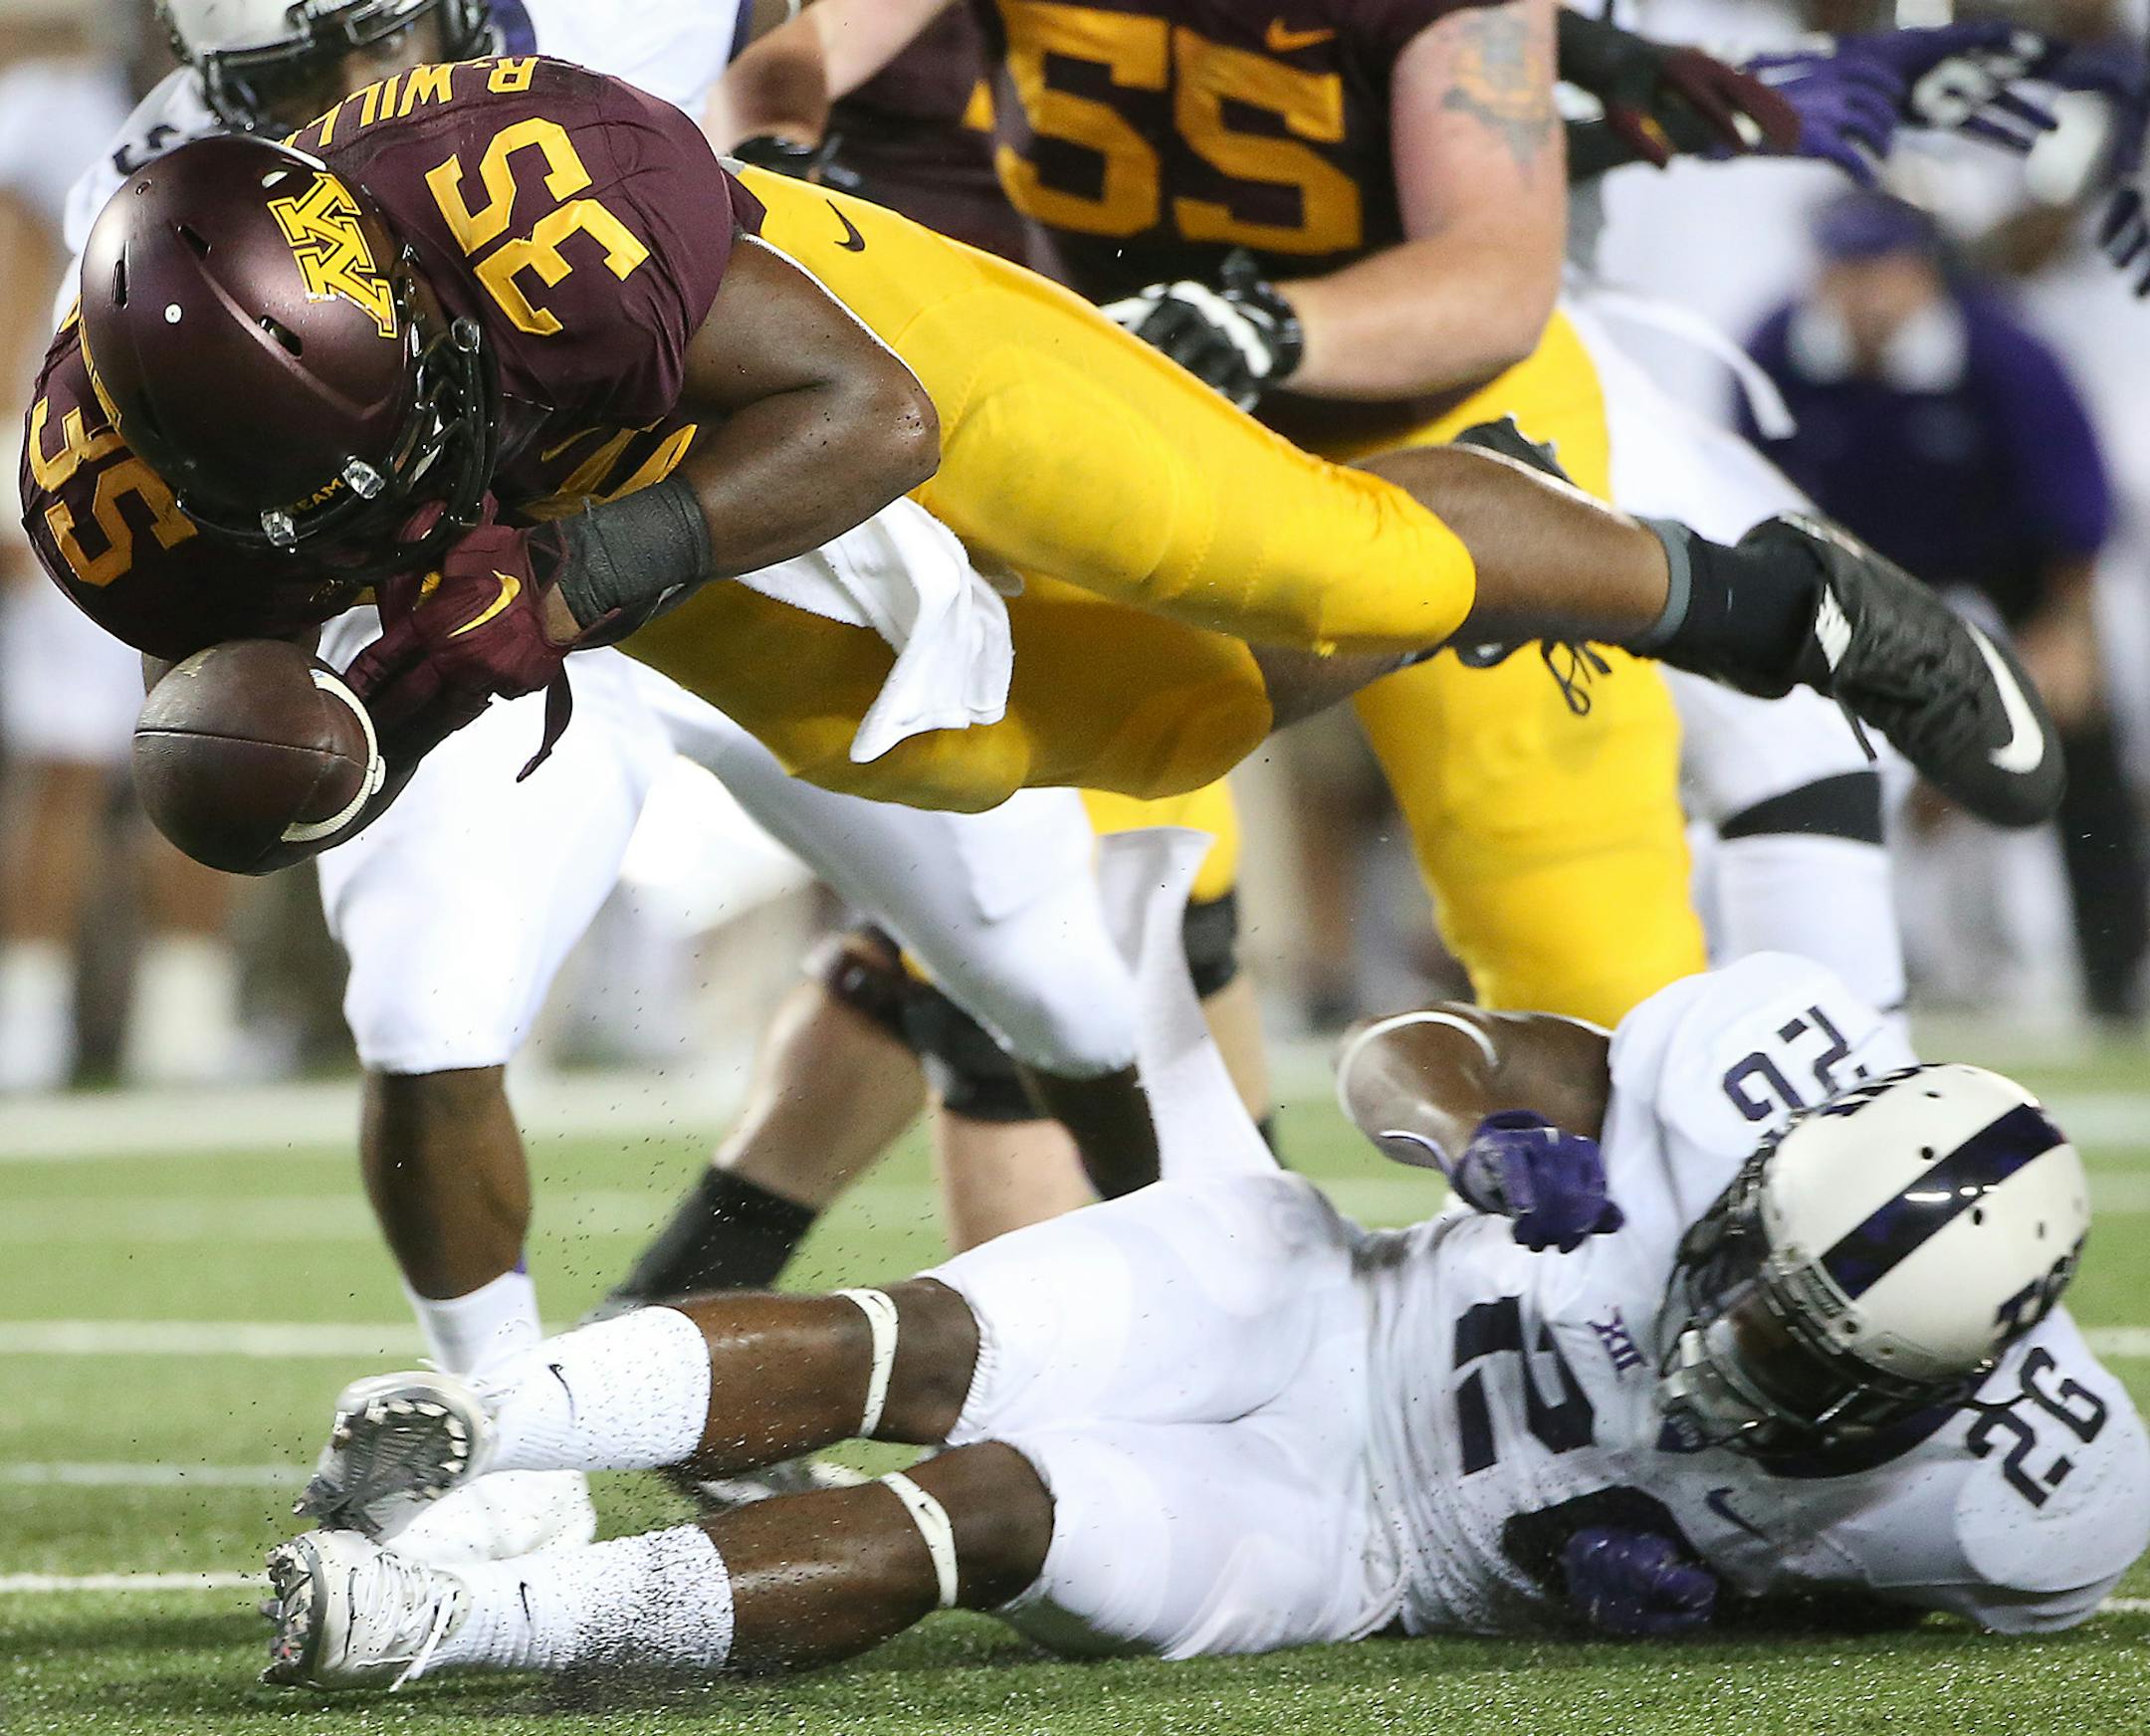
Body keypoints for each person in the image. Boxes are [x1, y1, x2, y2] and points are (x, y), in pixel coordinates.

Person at [45, 0, 1244, 1561]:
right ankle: (505, 1447)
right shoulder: (153, 220)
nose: (343, 88)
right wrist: (262, 735)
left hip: (740, 539)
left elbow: (820, 144)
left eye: (362, 37)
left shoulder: (594, 35)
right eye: (282, 76)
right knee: (424, 1011)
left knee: (1064, 987)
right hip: (451, 623)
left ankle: (1231, 1325)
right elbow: (187, 588)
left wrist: (785, 128)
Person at [261, 831, 2149, 1689]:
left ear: (1941, 1386)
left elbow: (1872, 1597)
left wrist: (1719, 1597)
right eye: (1748, 1274)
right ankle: (479, 1421)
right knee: (913, 1343)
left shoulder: (2027, 1502)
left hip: (1369, 1547)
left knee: (989, 1512)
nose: (1728, 1338)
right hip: (1319, 1292)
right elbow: (1419, 1049)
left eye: (1803, 1352)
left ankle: (452, 1628)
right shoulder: (1745, 1083)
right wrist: (1473, 1139)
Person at [1745, 190, 2148, 1024]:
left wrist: (2064, 634)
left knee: (2078, 736)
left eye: (1883, 268)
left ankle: (2119, 970)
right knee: (1788, 738)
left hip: (2005, 562)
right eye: (1847, 269)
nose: (1866, 292)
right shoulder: (1776, 353)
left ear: (1924, 270)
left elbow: (2073, 508)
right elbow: (1747, 503)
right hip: (1850, 565)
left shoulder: (2004, 355)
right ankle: (1826, 970)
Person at [0, 32, 244, 1092]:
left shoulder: (246, 92)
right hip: (81, 460)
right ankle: (29, 1020)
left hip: (198, 460)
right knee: (74, 761)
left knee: (215, 737)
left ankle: (184, 1021)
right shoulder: (60, 104)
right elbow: (13, 276)